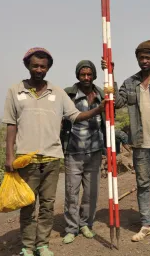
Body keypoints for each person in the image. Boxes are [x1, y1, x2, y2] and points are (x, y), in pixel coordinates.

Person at [3, 48, 105, 256]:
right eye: (35, 65)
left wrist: (98, 110)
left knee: (48, 205)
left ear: (48, 68)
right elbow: (11, 125)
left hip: (52, 157)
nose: (39, 69)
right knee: (28, 205)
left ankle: (42, 244)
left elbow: (75, 116)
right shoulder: (15, 91)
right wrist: (9, 156)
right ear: (28, 66)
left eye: (43, 66)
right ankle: (27, 246)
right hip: (26, 159)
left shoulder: (57, 93)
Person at [101, 40, 150, 243]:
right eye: (141, 58)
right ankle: (146, 224)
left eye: (148, 57)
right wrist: (111, 75)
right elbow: (117, 103)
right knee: (142, 184)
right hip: (140, 143)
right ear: (137, 59)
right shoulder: (130, 83)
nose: (144, 61)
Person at [60, 60, 106, 244]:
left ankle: (85, 224)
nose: (86, 78)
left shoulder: (100, 94)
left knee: (91, 193)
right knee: (72, 192)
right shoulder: (69, 95)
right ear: (77, 76)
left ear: (94, 75)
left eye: (89, 74)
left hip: (94, 150)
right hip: (73, 151)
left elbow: (112, 110)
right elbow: (65, 119)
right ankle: (71, 228)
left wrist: (110, 69)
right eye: (82, 74)